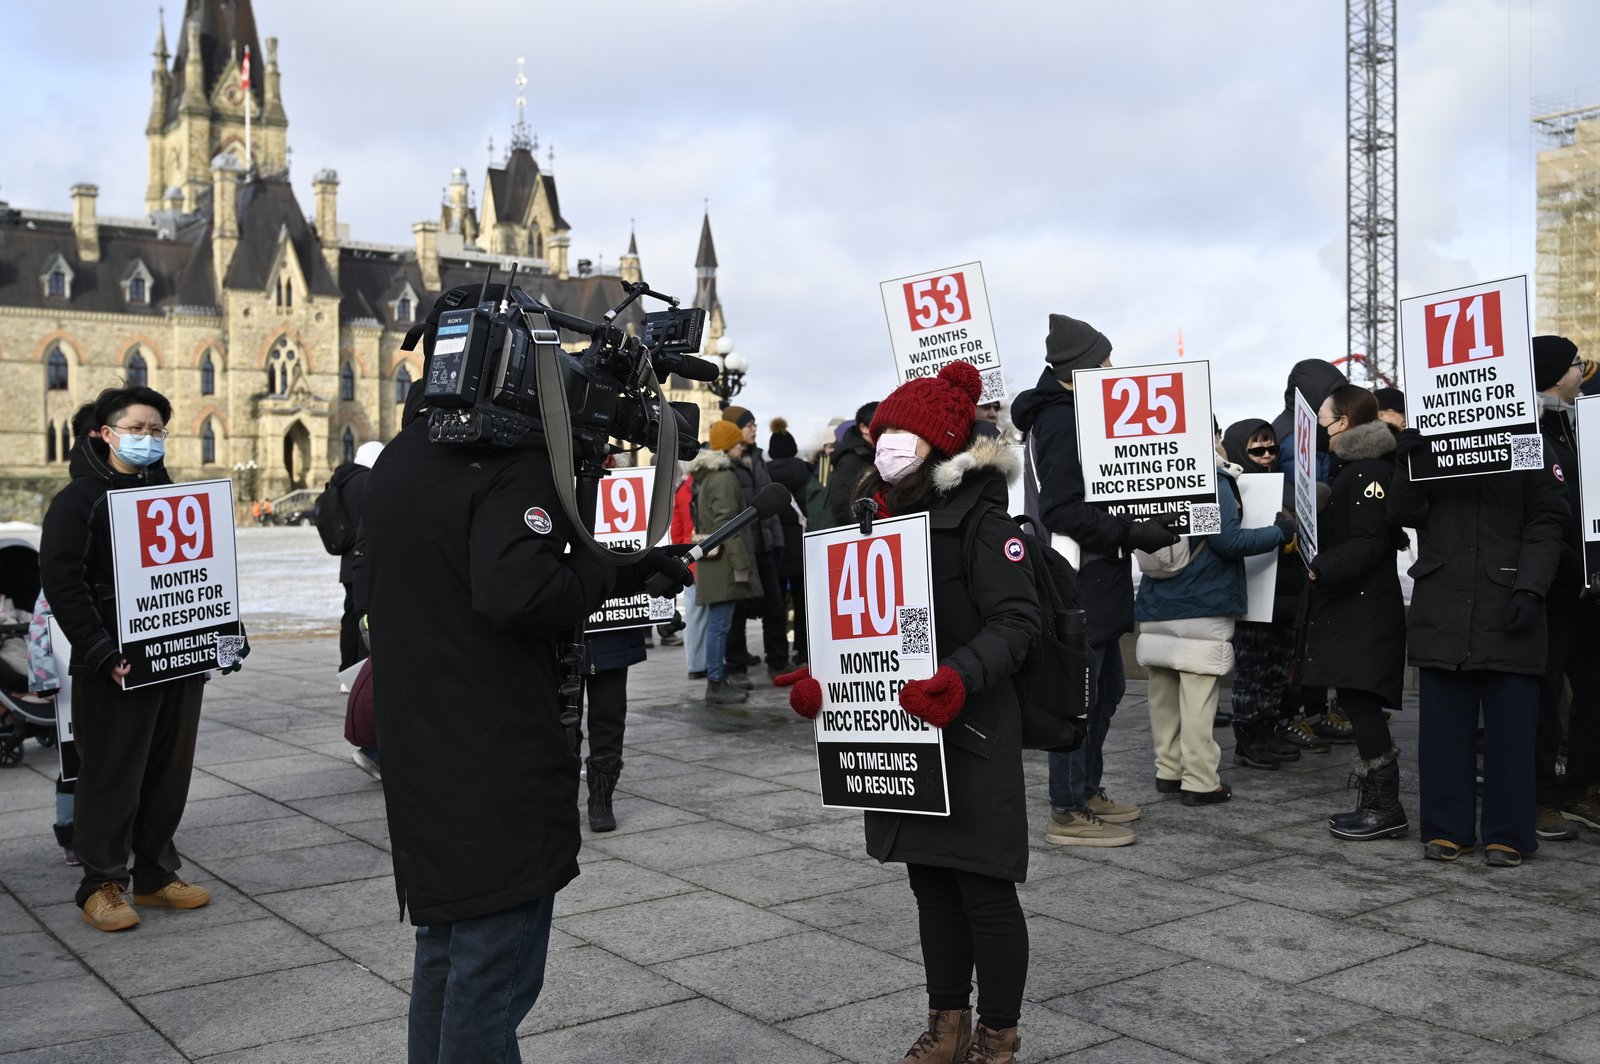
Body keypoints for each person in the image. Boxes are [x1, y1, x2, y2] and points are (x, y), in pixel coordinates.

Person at [362, 305, 693, 1063]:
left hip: (423, 749)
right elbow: (522, 596)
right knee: (490, 971)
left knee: (444, 957)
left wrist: (615, 563)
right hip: (492, 758)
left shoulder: (407, 460)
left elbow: (478, 565)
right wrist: (598, 565)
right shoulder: (513, 468)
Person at [781, 361, 1038, 1064]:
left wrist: (957, 676)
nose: (890, 442)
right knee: (931, 891)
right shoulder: (872, 518)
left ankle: (998, 1037)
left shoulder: (984, 521)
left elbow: (1017, 621)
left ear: (942, 445)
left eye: (906, 432)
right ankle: (947, 1025)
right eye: (886, 429)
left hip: (969, 731)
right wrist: (822, 680)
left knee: (984, 892)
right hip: (900, 739)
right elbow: (861, 629)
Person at [40, 386, 226, 932]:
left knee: (168, 771)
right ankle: (101, 882)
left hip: (175, 657)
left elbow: (200, 575)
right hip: (114, 664)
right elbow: (63, 583)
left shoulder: (167, 495)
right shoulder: (80, 500)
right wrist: (100, 651)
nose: (147, 438)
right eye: (136, 428)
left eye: (156, 430)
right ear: (105, 432)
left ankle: (155, 874)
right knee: (112, 775)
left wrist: (217, 634)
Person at [1010, 313, 1180, 847]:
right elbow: (1063, 510)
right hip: (1079, 578)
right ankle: (1066, 810)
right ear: (1081, 368)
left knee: (1104, 693)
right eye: (1104, 361)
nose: (1113, 368)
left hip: (1099, 576)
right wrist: (1131, 532)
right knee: (1080, 697)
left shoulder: (1079, 411)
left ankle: (1085, 789)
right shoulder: (1062, 420)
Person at [1388, 414, 1568, 867]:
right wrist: (1406, 463)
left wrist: (1530, 587)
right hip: (1444, 604)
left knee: (1511, 730)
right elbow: (1404, 513)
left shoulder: (1527, 439)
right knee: (1443, 731)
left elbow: (1547, 519)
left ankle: (1508, 833)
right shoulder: (1431, 443)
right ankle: (1448, 830)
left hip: (1508, 604)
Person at [1135, 421, 1291, 805]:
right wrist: (1279, 531)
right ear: (1211, 438)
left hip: (1157, 601)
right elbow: (1227, 541)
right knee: (1198, 697)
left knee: (1163, 696)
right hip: (1202, 601)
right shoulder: (1209, 478)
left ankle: (1168, 771)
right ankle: (1201, 781)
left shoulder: (1153, 476)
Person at [1299, 386, 1409, 840]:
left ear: (1343, 422)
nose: (1321, 431)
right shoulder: (1355, 471)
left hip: (1364, 609)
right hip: (1354, 607)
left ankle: (1385, 808)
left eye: (1324, 421)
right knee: (1355, 700)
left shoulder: (1365, 473)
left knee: (1362, 703)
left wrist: (1321, 566)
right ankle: (1377, 804)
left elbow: (1369, 541)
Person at [1529, 335, 1600, 839]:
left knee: (1591, 691)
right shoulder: (1532, 429)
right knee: (1544, 693)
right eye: (1578, 364)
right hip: (1552, 587)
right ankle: (1539, 796)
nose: (1585, 372)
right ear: (1556, 372)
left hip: (1588, 586)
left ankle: (1581, 787)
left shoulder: (1582, 426)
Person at [1219, 418, 1321, 768]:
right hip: (1253, 593)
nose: (1266, 455)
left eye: (1271, 447)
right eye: (1256, 449)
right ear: (1238, 451)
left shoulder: (1288, 486)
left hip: (1287, 593)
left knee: (1277, 669)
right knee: (1252, 670)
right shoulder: (1231, 490)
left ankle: (1268, 730)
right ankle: (1248, 739)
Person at [1270, 359, 1355, 744]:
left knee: (1312, 637)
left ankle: (1314, 712)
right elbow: (1277, 487)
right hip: (1293, 553)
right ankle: (1291, 716)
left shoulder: (1310, 431)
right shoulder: (1288, 435)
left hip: (1313, 549)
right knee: (1295, 640)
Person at [692, 420, 763, 705]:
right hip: (724, 564)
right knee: (720, 625)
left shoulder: (712, 474)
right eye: (735, 443)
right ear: (725, 447)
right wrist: (741, 565)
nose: (740, 447)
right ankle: (716, 683)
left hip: (716, 562)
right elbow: (727, 526)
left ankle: (717, 681)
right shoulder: (722, 477)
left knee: (719, 624)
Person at [721, 405, 790, 680]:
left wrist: (777, 541)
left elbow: (771, 504)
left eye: (754, 424)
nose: (753, 429)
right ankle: (735, 667)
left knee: (775, 606)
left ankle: (779, 661)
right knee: (736, 612)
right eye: (748, 425)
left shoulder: (759, 458)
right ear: (734, 429)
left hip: (765, 545)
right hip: (740, 549)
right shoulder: (724, 462)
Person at [323, 441, 383, 671]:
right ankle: (360, 670)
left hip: (347, 562)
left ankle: (347, 668)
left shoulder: (343, 480)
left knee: (349, 618)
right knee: (366, 619)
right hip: (365, 560)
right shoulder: (368, 481)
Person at [581, 628, 647, 832]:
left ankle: (602, 797)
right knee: (561, 723)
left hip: (612, 632)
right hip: (560, 633)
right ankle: (559, 798)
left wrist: (662, 608)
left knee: (609, 714)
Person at [765, 418, 812, 666]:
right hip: (804, 545)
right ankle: (804, 651)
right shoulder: (807, 470)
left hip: (779, 547)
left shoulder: (766, 473)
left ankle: (777, 654)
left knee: (776, 605)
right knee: (804, 601)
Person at [671, 451, 708, 680]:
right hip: (705, 559)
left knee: (694, 617)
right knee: (710, 618)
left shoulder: (681, 491)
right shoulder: (702, 488)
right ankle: (706, 662)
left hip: (688, 559)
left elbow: (676, 531)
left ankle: (694, 663)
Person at [823, 400, 879, 527]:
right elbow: (841, 506)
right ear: (864, 428)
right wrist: (869, 525)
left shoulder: (876, 452)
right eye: (882, 426)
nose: (887, 432)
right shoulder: (851, 459)